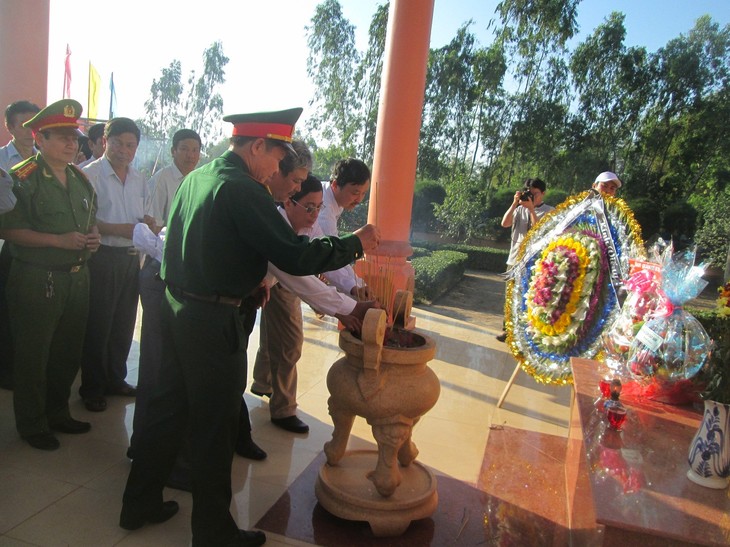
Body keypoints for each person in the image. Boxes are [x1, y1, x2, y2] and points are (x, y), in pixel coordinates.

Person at [120, 107, 380, 547]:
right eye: (278, 158)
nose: (279, 170)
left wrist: (244, 283)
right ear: (258, 146)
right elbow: (294, 257)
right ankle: (214, 532)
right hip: (211, 323)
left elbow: (197, 247)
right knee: (214, 427)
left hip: (175, 309)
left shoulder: (199, 177)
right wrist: (356, 244)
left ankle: (138, 503)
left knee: (167, 412)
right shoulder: (244, 188)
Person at [0, 99, 101, 450]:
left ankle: (58, 412)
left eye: (73, 137)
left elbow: (89, 225)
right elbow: (9, 231)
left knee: (67, 353)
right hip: (37, 279)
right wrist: (56, 241)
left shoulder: (81, 180)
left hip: (76, 278)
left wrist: (94, 238)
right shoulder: (22, 178)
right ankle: (32, 424)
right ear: (39, 139)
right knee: (33, 354)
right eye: (60, 137)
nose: (71, 143)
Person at [251, 174, 377, 435]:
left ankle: (263, 384)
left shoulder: (310, 222)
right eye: (309, 208)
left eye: (318, 208)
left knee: (276, 336)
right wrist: (349, 307)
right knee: (290, 342)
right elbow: (302, 276)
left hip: (267, 283)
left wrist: (356, 287)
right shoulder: (277, 226)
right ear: (287, 201)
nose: (314, 214)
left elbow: (324, 258)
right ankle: (282, 408)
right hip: (224, 297)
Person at [130, 128, 201, 463]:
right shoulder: (163, 180)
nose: (190, 155)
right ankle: (142, 441)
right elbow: (152, 225)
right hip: (160, 272)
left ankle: (163, 443)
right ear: (173, 151)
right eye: (184, 149)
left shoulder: (201, 180)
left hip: (185, 278)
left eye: (195, 149)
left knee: (174, 364)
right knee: (155, 361)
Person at [80, 117, 151, 412]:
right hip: (102, 258)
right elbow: (84, 220)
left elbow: (146, 214)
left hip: (131, 259)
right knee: (99, 324)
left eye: (131, 145)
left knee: (123, 324)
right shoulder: (88, 175)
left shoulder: (139, 179)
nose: (125, 150)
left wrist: (149, 223)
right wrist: (116, 229)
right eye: (119, 143)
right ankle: (92, 387)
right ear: (105, 142)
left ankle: (115, 379)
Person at [496, 178, 554, 342]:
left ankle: (525, 333)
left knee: (529, 296)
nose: (532, 197)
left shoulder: (550, 211)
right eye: (529, 193)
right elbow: (504, 223)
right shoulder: (519, 208)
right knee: (510, 295)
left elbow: (539, 232)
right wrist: (515, 203)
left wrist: (531, 210)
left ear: (543, 194)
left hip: (534, 261)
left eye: (535, 194)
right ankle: (506, 330)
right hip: (514, 259)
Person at [0, 100, 41, 172]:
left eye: (34, 125)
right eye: (24, 126)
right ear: (10, 128)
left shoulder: (45, 157)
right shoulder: (2, 158)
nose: (30, 132)